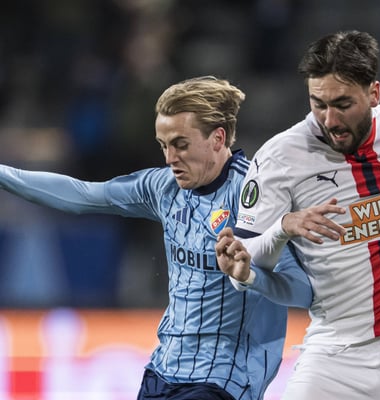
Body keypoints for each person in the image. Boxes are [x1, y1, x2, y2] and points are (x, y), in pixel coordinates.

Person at [0, 76, 313, 400]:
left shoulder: (253, 196)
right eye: (164, 145)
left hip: (224, 380)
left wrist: (249, 277)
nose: (169, 158)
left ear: (218, 138)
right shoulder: (162, 187)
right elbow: (84, 195)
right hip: (163, 372)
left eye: (181, 144)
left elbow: (303, 291)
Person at [216, 31, 380, 399]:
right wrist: (283, 228)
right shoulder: (280, 157)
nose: (329, 119)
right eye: (318, 104)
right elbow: (246, 257)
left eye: (342, 104)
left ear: (374, 94)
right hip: (336, 355)